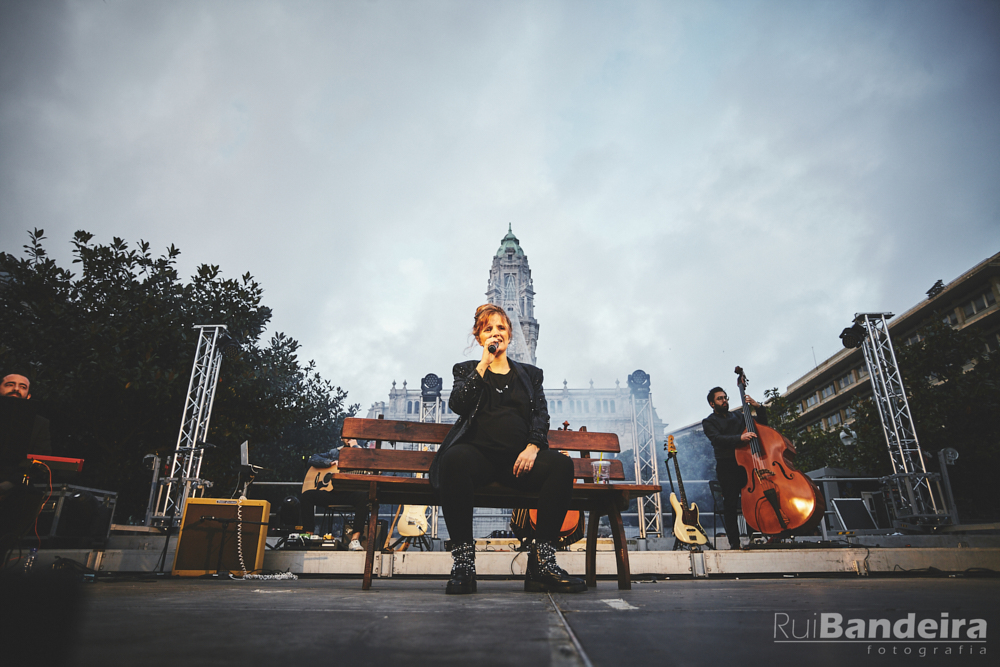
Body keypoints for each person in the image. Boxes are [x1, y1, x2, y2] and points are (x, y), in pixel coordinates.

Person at [429, 304, 585, 595]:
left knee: (561, 466)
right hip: (480, 458)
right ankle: (464, 564)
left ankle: (542, 563)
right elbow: (459, 405)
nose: (495, 333)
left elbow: (541, 414)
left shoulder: (530, 375)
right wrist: (483, 364)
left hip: (519, 461)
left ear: (510, 335)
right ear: (479, 338)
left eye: (501, 328)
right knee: (454, 459)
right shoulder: (466, 371)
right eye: (488, 329)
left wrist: (533, 446)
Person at [701, 386, 767, 550]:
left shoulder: (739, 415)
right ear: (712, 403)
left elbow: (762, 424)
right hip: (727, 465)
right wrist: (740, 437)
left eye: (725, 397)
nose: (724, 401)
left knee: (754, 500)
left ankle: (755, 537)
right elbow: (717, 439)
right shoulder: (709, 422)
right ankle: (734, 543)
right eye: (720, 398)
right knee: (730, 504)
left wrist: (757, 406)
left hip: (747, 463)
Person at [0, 373, 51, 563]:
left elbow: (41, 460)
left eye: (23, 387)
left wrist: (9, 483)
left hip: (15, 485)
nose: (16, 389)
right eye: (10, 384)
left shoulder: (39, 424)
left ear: (28, 395)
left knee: (29, 498)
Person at [301, 437, 370, 551]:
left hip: (349, 494)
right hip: (331, 493)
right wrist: (330, 462)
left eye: (352, 436)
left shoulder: (362, 452)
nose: (349, 439)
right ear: (342, 438)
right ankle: (309, 535)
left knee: (363, 496)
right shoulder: (334, 452)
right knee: (307, 495)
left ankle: (355, 540)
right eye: (346, 436)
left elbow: (366, 463)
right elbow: (313, 458)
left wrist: (355, 447)